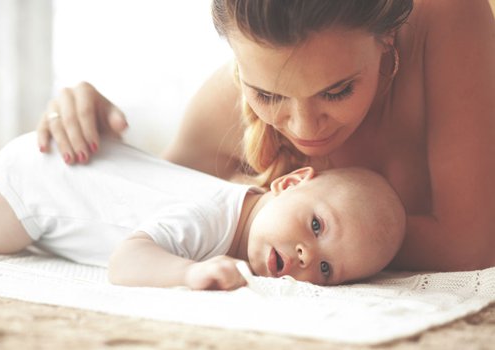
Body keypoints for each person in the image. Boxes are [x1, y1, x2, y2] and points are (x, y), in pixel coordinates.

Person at [36, 1, 494, 271]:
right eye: (267, 94)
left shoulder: (449, 18)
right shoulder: (224, 101)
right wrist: (87, 132)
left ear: (389, 39)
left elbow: (472, 245)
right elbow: (148, 201)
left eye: (337, 91)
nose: (304, 128)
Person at [0, 132, 405, 290]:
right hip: (36, 184)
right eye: (317, 225)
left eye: (327, 269)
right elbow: (126, 262)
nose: (307, 256)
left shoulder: (232, 215)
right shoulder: (209, 217)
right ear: (287, 184)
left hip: (58, 165)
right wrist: (187, 274)